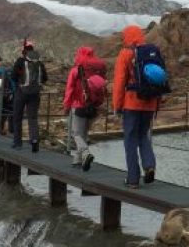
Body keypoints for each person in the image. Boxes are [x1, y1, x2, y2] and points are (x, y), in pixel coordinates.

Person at [112, 25, 160, 188]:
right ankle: (150, 165)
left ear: (127, 36)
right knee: (143, 136)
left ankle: (133, 178)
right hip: (150, 103)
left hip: (131, 103)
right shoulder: (151, 52)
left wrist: (117, 106)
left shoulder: (125, 54)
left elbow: (119, 83)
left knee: (130, 140)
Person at [63, 46, 107, 170]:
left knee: (76, 133)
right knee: (83, 134)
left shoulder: (76, 70)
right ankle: (77, 160)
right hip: (94, 106)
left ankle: (86, 153)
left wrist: (66, 105)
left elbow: (69, 89)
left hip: (79, 105)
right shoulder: (98, 70)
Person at [12, 43, 47, 152]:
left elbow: (13, 75)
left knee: (17, 117)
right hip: (35, 94)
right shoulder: (40, 63)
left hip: (21, 92)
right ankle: (35, 140)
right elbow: (45, 78)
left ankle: (17, 143)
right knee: (33, 118)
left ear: (24, 51)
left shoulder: (20, 61)